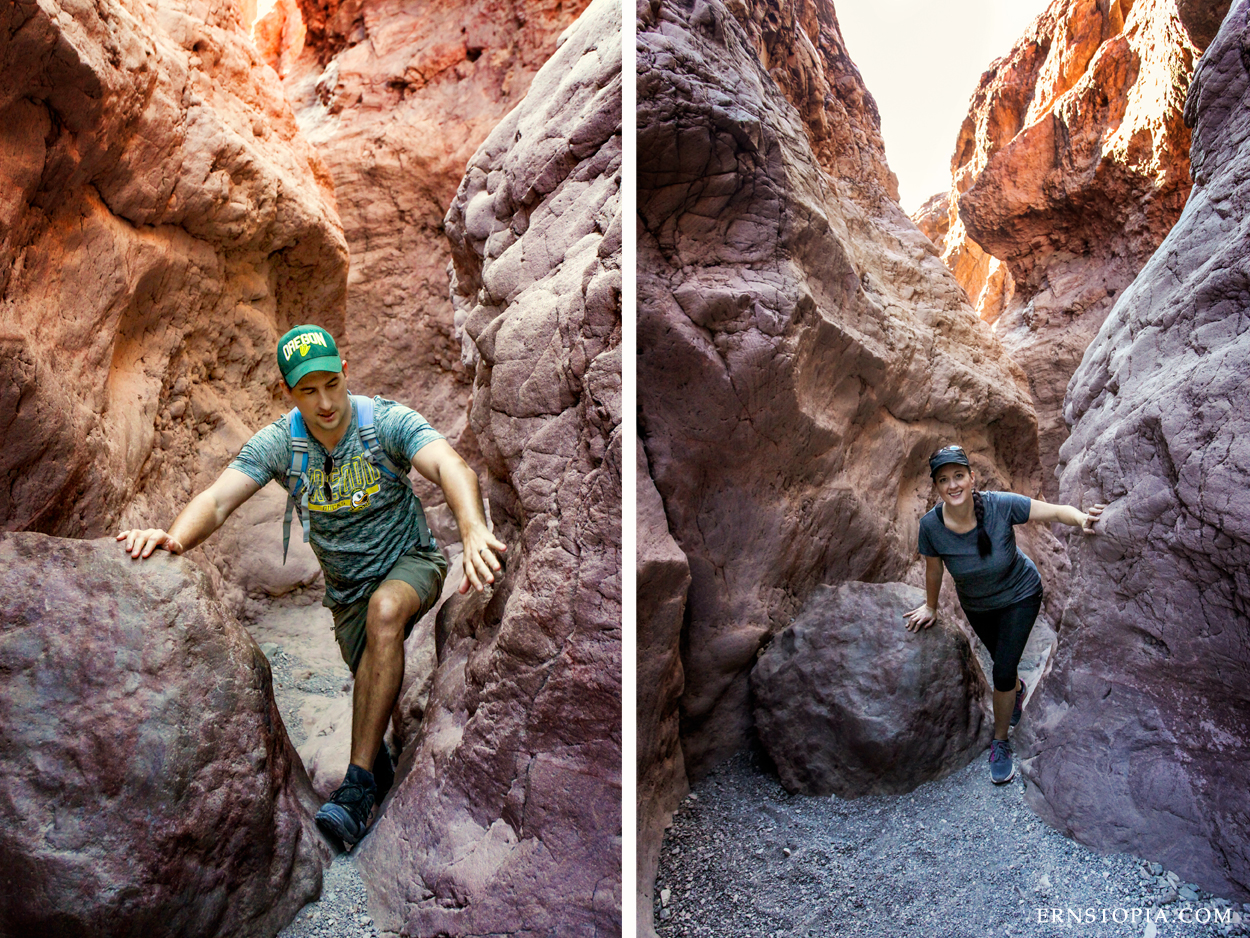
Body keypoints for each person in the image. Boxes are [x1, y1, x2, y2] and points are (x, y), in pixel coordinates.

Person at [117, 325, 506, 846]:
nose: (325, 402)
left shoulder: (383, 422)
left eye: (331, 383)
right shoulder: (282, 442)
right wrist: (173, 538)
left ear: (345, 372)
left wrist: (473, 527)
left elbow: (449, 464)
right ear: (289, 392)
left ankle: (357, 787)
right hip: (347, 597)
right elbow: (216, 501)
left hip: (410, 563)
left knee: (386, 612)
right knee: (374, 674)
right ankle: (381, 763)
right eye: (308, 390)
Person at [903, 444, 1103, 785]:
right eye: (943, 480)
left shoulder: (1000, 505)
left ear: (971, 477)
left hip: (1020, 595)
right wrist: (931, 606)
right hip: (978, 606)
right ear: (936, 487)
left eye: (958, 476)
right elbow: (934, 570)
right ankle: (1016, 689)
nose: (952, 485)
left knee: (1002, 668)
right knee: (1005, 670)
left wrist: (1082, 518)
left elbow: (1054, 512)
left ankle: (1000, 743)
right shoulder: (931, 527)